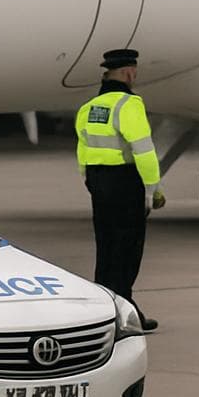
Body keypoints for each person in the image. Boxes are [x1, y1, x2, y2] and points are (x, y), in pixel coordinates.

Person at [75, 48, 164, 332]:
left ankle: (104, 310)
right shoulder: (129, 105)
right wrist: (152, 190)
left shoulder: (90, 107)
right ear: (128, 73)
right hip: (125, 182)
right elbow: (144, 150)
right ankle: (125, 310)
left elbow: (82, 147)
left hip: (98, 182)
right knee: (127, 249)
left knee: (106, 246)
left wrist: (89, 180)